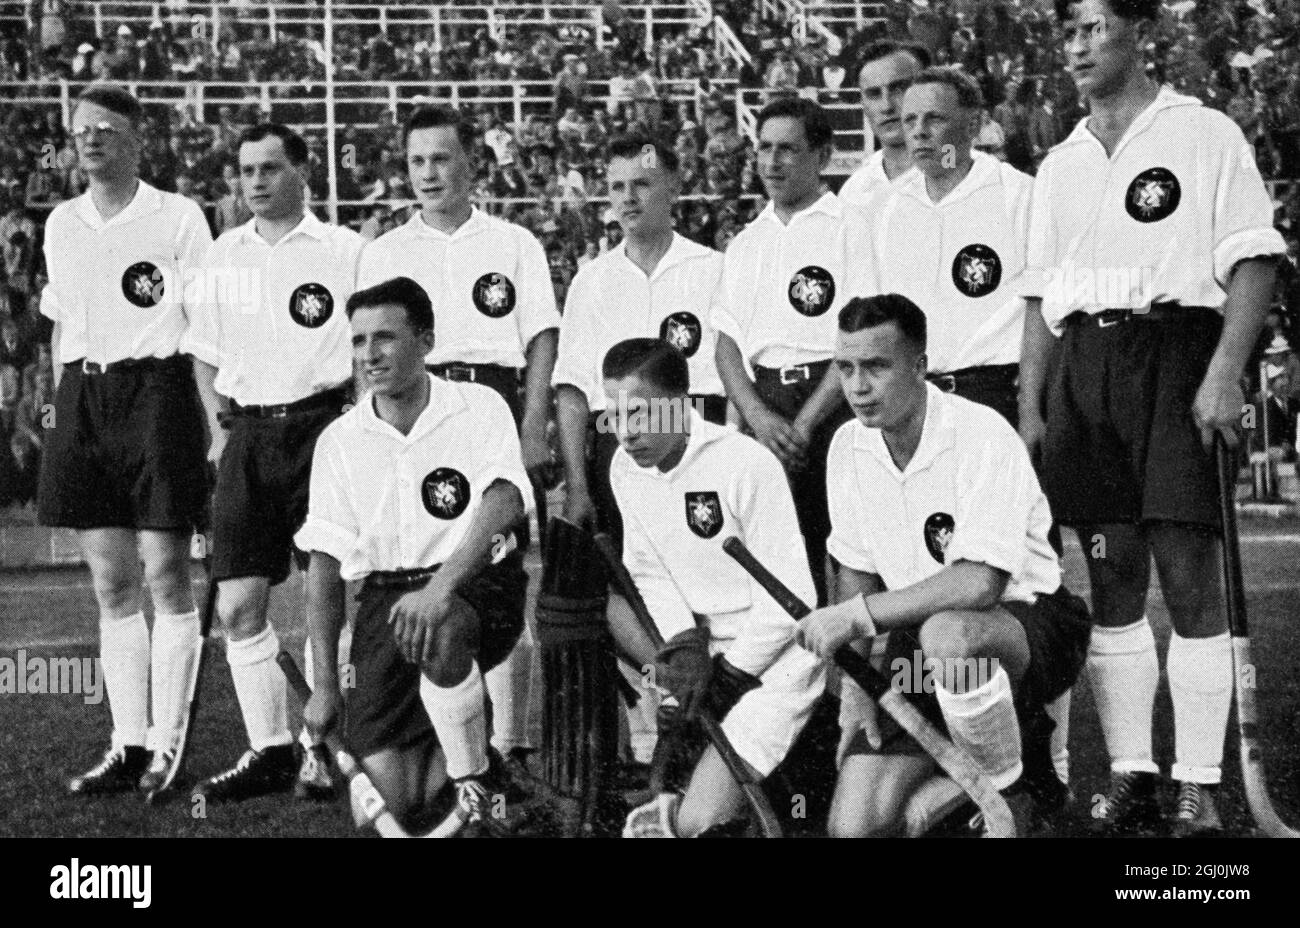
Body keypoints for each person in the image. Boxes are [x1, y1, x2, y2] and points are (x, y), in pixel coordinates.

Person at [1018, 0, 1286, 836]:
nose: (1078, 46)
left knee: (1188, 574)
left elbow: (1254, 259)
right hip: (1084, 374)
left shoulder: (1203, 134)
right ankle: (1134, 772)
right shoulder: (1059, 161)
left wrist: (1225, 374)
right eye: (1068, 33)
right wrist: (1032, 405)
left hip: (1177, 358)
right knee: (1113, 574)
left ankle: (1199, 783)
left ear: (1142, 34)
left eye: (1095, 27)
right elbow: (1037, 299)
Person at [798, 295, 1089, 837]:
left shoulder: (983, 434)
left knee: (950, 635)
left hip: (1025, 629)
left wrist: (856, 618)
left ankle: (1013, 793)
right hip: (918, 646)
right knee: (855, 828)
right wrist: (858, 691)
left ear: (919, 366)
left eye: (876, 367)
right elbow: (856, 574)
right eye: (845, 368)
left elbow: (980, 583)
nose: (858, 386)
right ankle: (1003, 760)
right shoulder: (846, 446)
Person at [359, 104, 559, 767]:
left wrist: (534, 422)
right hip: (419, 411)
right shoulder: (385, 250)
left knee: (498, 565)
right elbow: (368, 354)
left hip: (493, 404)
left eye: (441, 158)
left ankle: (512, 741)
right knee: (431, 561)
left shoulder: (514, 243)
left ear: (472, 163)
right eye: (416, 161)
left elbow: (539, 338)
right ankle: (448, 738)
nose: (428, 173)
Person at [296, 276, 530, 832]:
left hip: (476, 586)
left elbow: (505, 500)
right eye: (357, 341)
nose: (369, 355)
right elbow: (324, 568)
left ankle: (473, 779)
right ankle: (467, 761)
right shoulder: (339, 440)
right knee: (404, 801)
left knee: (444, 629)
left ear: (425, 341)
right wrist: (326, 687)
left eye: (385, 338)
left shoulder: (480, 406)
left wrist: (439, 588)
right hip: (386, 606)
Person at [38, 85, 212, 795]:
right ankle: (127, 745)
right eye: (82, 130)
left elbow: (204, 324)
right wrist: (57, 405)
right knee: (111, 583)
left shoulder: (177, 215)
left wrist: (212, 423)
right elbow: (60, 324)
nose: (92, 139)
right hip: (84, 397)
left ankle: (169, 744)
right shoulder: (60, 222)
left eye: (107, 128)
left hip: (159, 393)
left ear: (137, 140)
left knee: (167, 575)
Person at [183, 123, 365, 801]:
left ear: (302, 171)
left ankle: (327, 737)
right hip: (247, 436)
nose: (254, 182)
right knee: (239, 603)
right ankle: (270, 747)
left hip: (325, 428)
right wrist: (218, 431)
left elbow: (372, 344)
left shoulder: (346, 250)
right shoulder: (222, 256)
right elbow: (202, 353)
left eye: (268, 168)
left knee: (328, 595)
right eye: (245, 171)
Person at [552, 133, 729, 766]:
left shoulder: (713, 269)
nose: (629, 198)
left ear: (675, 187)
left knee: (704, 578)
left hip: (698, 441)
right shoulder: (592, 281)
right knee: (626, 585)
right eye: (618, 185)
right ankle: (661, 693)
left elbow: (729, 375)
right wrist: (578, 484)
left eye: (643, 184)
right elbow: (573, 393)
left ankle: (719, 706)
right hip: (618, 449)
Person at [601, 338, 824, 837]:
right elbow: (649, 571)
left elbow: (790, 601)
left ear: (680, 404)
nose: (624, 433)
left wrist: (731, 676)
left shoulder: (746, 462)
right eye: (612, 416)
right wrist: (684, 648)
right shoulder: (625, 468)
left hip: (774, 658)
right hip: (702, 655)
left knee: (700, 822)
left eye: (638, 414)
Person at [710, 95, 876, 605]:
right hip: (767, 405)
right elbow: (726, 347)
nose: (772, 162)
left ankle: (855, 680)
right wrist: (759, 418)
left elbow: (860, 334)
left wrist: (805, 423)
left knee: (854, 551)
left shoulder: (851, 225)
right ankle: (797, 680)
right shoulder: (746, 242)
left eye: (788, 149)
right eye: (763, 149)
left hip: (837, 400)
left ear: (822, 156)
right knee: (782, 555)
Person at [868, 67, 1033, 427]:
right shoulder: (887, 207)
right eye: (909, 120)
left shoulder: (1018, 196)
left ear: (973, 125)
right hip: (913, 397)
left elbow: (1043, 308)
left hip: (994, 394)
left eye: (934, 119)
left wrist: (1031, 404)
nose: (919, 131)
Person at [838, 40, 930, 210]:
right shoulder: (854, 192)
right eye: (874, 94)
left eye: (898, 89)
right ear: (863, 104)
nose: (886, 106)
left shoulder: (961, 170)